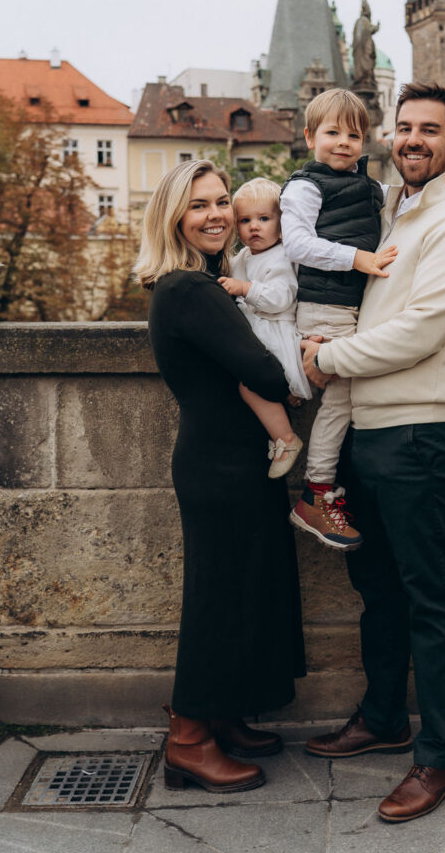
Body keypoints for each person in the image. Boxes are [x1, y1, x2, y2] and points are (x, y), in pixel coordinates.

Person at [300, 82, 445, 824]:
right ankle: (383, 716)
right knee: (377, 588)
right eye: (405, 128)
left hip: (418, 432)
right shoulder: (398, 208)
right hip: (367, 431)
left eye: (430, 131)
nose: (413, 140)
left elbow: (419, 331)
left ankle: (439, 755)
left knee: (427, 594)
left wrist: (329, 360)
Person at [134, 160, 305, 794]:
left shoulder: (209, 281)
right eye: (199, 204)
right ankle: (187, 739)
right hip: (220, 465)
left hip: (234, 459)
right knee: (215, 600)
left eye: (222, 200)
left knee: (242, 592)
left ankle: (225, 716)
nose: (216, 214)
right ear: (174, 217)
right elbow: (260, 372)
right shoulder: (189, 289)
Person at [280, 88, 445, 553]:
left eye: (354, 135)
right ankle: (317, 490)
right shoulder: (305, 185)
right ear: (309, 137)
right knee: (339, 399)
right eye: (332, 133)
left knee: (333, 394)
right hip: (326, 308)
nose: (343, 143)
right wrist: (358, 259)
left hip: (345, 317)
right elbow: (296, 244)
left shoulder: (369, 188)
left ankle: (316, 477)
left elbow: (405, 197)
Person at [218, 177, 310, 480]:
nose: (253, 227)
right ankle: (285, 396)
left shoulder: (283, 255)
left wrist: (245, 288)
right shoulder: (242, 257)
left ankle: (286, 439)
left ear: (282, 224)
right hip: (258, 332)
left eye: (264, 219)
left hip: (275, 332)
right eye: (245, 220)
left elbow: (282, 297)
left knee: (250, 385)